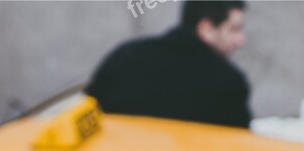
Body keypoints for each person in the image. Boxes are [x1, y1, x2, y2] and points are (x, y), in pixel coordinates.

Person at [86, 1, 251, 129]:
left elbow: (86, 117)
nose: (240, 41)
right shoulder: (229, 84)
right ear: (206, 29)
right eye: (234, 29)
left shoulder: (124, 56)